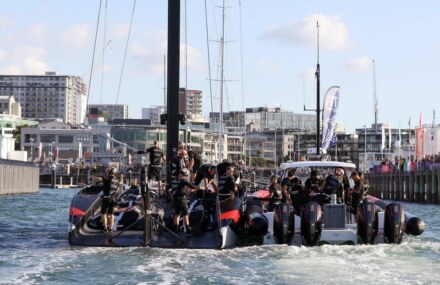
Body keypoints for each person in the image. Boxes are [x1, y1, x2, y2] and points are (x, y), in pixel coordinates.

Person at [170, 168, 201, 235]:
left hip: (175, 199)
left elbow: (168, 188)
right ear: (184, 175)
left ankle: (176, 230)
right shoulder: (183, 180)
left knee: (177, 214)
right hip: (181, 199)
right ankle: (188, 230)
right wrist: (199, 187)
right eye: (186, 175)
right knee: (185, 214)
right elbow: (192, 186)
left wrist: (172, 196)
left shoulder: (173, 180)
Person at [101, 167, 120, 232]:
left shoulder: (107, 178)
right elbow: (117, 190)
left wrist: (93, 177)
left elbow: (100, 179)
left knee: (104, 213)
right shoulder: (117, 180)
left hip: (106, 198)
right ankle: (110, 228)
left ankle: (105, 228)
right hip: (113, 198)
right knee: (112, 214)